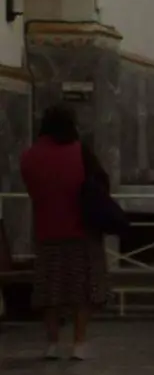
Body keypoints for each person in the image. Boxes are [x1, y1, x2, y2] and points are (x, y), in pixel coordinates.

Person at [20, 105, 109, 360]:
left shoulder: (30, 156)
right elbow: (100, 184)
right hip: (81, 230)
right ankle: (79, 342)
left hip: (47, 231)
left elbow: (32, 190)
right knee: (82, 290)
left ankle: (52, 342)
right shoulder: (80, 152)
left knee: (51, 289)